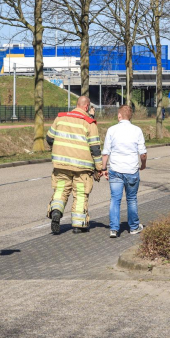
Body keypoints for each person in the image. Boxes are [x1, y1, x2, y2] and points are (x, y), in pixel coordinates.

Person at [46, 96, 103, 234]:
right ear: (86, 107)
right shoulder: (89, 123)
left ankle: (56, 212)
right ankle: (78, 225)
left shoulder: (60, 118)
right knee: (81, 194)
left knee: (61, 190)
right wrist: (99, 168)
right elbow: (95, 149)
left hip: (61, 165)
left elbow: (49, 138)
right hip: (82, 168)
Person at [101, 105, 147, 238]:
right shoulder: (137, 130)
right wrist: (143, 164)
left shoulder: (111, 130)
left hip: (115, 170)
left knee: (115, 199)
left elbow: (106, 152)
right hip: (131, 170)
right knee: (131, 199)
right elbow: (143, 153)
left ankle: (114, 229)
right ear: (130, 116)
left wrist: (104, 168)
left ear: (119, 116)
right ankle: (133, 227)